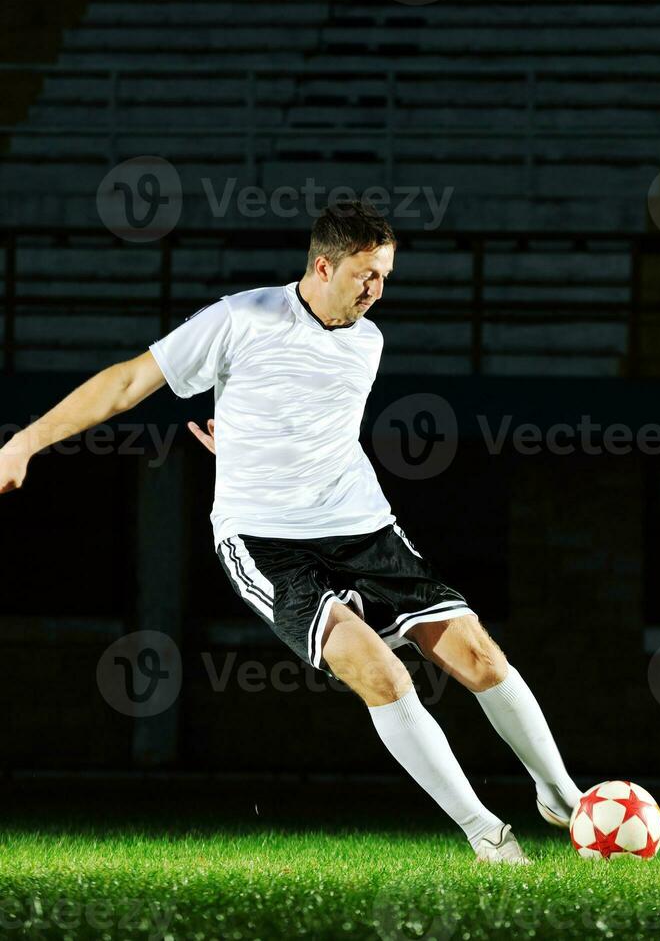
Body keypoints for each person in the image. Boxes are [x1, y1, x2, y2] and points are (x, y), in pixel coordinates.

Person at [0, 201, 581, 864]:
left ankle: (560, 793)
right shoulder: (242, 317)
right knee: (382, 674)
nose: (377, 290)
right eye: (365, 275)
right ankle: (486, 834)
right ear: (323, 266)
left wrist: (250, 443)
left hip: (363, 528)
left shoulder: (368, 341)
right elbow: (129, 382)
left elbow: (309, 419)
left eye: (385, 276)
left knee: (478, 654)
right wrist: (26, 443)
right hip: (267, 542)